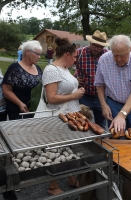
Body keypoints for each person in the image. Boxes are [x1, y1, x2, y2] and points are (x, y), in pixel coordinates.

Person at [42, 37, 85, 195]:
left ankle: (71, 177)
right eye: (74, 57)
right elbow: (52, 98)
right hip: (57, 117)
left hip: (70, 115)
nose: (75, 60)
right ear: (67, 54)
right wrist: (74, 96)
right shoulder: (51, 70)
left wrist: (77, 93)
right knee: (56, 150)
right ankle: (52, 186)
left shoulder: (65, 69)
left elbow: (64, 89)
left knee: (69, 148)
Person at [95, 34, 131, 133]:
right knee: (116, 136)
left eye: (122, 55)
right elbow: (99, 84)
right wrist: (104, 105)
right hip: (113, 104)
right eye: (115, 55)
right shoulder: (104, 60)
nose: (119, 59)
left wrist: (122, 114)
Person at [75, 30, 108, 127]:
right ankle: (85, 141)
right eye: (94, 45)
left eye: (99, 47)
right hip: (84, 95)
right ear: (90, 42)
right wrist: (75, 79)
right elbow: (65, 66)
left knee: (101, 124)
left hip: (101, 96)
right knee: (82, 121)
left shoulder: (107, 55)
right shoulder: (80, 53)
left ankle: (99, 141)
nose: (96, 48)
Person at [2, 40, 43, 120]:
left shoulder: (38, 69)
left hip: (35, 111)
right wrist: (20, 104)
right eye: (37, 54)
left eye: (40, 54)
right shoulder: (14, 68)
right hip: (18, 112)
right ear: (27, 52)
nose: (39, 57)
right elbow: (6, 90)